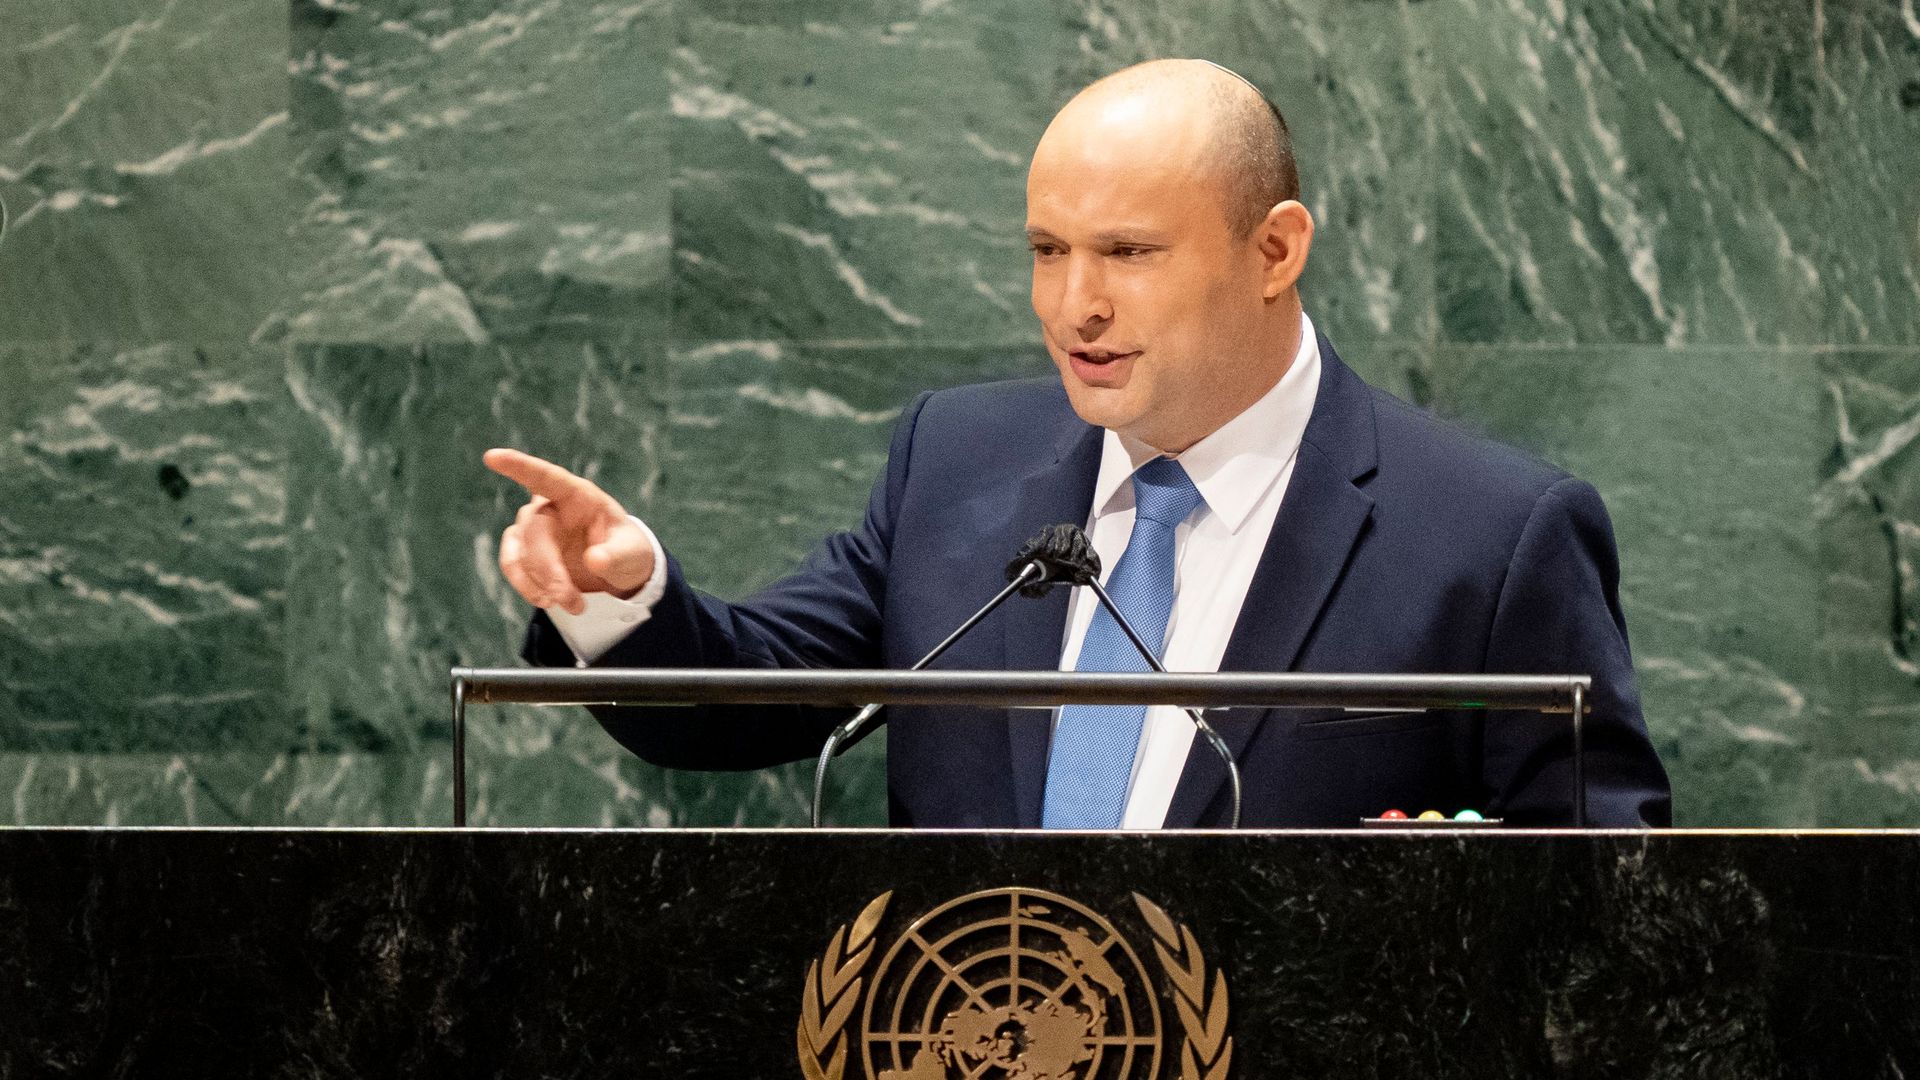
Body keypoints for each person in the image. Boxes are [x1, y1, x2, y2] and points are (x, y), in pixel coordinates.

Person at [487, 60, 1671, 828]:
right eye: (1048, 252)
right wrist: (621, 598)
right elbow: (745, 699)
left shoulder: (1492, 538)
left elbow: (1617, 904)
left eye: (1129, 254)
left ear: (1275, 251)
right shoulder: (956, 460)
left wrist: (1460, 909)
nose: (1074, 306)